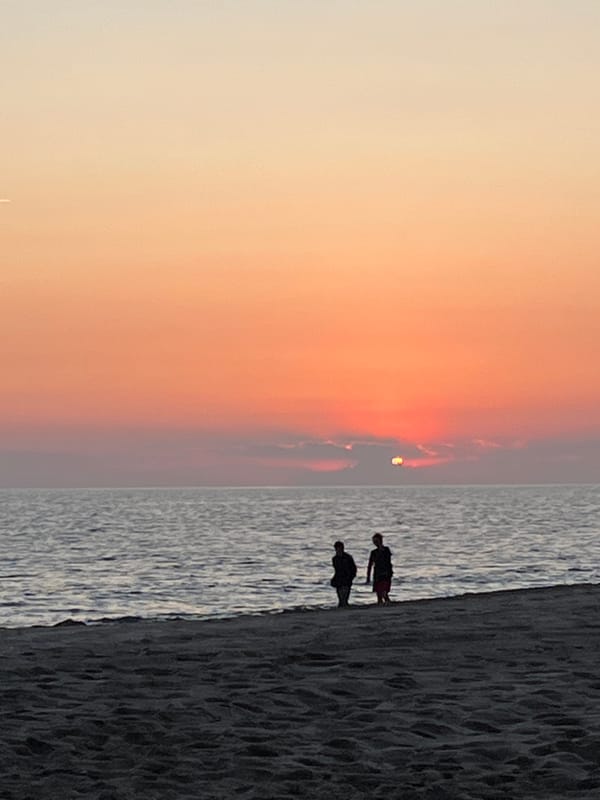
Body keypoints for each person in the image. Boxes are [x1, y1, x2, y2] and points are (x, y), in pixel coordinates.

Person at [366, 533, 393, 605]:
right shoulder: (373, 552)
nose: (375, 543)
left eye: (377, 541)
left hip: (386, 574)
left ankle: (388, 603)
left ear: (381, 541)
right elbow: (370, 565)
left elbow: (388, 562)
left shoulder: (386, 550)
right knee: (379, 593)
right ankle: (380, 604)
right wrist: (368, 576)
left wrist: (389, 573)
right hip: (377, 575)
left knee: (384, 592)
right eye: (374, 542)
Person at [330, 541, 357, 608]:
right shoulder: (335, 559)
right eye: (336, 548)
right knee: (340, 598)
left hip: (347, 579)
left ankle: (344, 607)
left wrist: (351, 577)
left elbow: (353, 569)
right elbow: (336, 570)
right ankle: (342, 607)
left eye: (339, 548)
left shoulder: (348, 557)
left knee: (344, 598)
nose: (338, 550)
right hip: (339, 580)